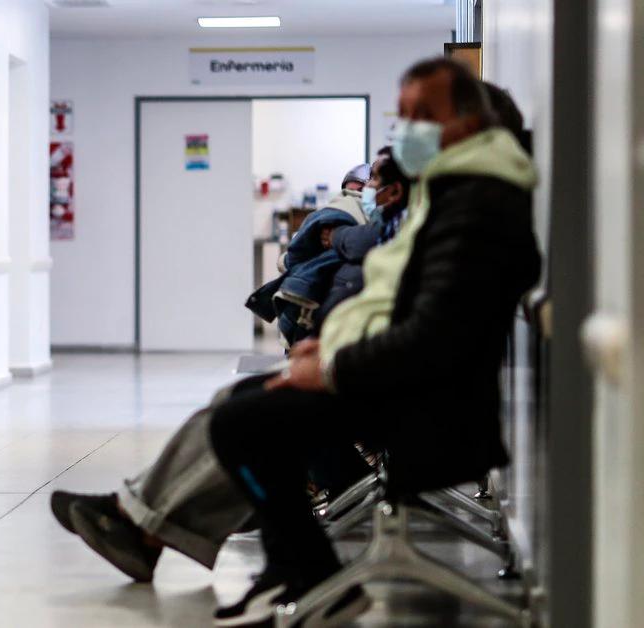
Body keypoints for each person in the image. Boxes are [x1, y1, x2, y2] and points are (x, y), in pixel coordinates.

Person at [207, 57, 540, 626]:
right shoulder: (451, 190)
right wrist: (326, 350)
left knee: (240, 423)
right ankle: (297, 567)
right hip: (410, 384)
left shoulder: (477, 203)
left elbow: (435, 336)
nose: (408, 127)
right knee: (243, 405)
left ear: (469, 121)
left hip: (432, 405)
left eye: (424, 113)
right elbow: (405, 304)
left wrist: (332, 370)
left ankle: (309, 570)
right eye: (403, 113)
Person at [49, 162, 411, 586]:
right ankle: (140, 522)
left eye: (375, 182)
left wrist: (339, 364)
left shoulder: (446, 217)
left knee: (242, 416)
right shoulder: (422, 218)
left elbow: (422, 325)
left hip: (397, 393)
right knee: (237, 400)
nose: (367, 192)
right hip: (380, 376)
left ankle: (149, 525)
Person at [248, 164, 374, 347]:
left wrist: (334, 236)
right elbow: (295, 254)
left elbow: (290, 259)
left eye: (361, 190)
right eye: (349, 191)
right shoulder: (329, 215)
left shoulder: (379, 223)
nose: (353, 195)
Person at [313, 149, 412, 330]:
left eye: (374, 179)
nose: (367, 187)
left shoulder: (402, 221)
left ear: (395, 191)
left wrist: (336, 236)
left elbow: (364, 240)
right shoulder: (384, 218)